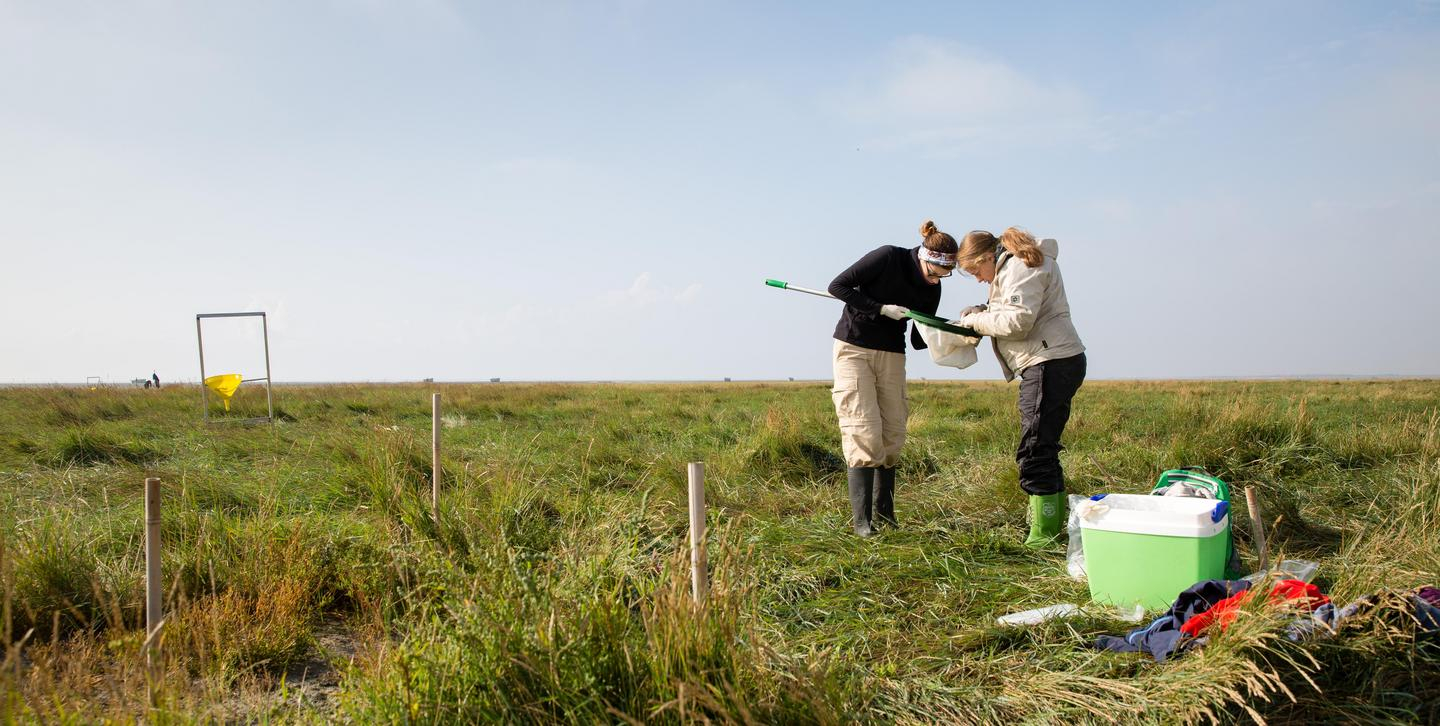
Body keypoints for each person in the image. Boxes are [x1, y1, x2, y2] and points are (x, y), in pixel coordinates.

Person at [954, 227, 1085, 548]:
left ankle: (1043, 535)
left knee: (1035, 449)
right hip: (1048, 361)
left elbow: (1017, 321)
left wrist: (973, 322)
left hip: (1048, 362)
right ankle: (1051, 526)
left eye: (975, 271)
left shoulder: (1021, 266)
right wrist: (982, 311)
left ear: (987, 257)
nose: (979, 279)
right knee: (1043, 446)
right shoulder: (1012, 268)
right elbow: (1011, 311)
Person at [827, 220, 958, 537]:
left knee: (892, 432)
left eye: (943, 277)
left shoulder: (933, 288)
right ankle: (862, 523)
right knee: (863, 429)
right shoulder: (887, 257)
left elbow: (917, 339)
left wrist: (952, 330)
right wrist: (880, 308)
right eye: (934, 273)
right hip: (854, 347)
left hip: (892, 353)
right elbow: (838, 287)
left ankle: (886, 516)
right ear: (926, 257)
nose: (936, 281)